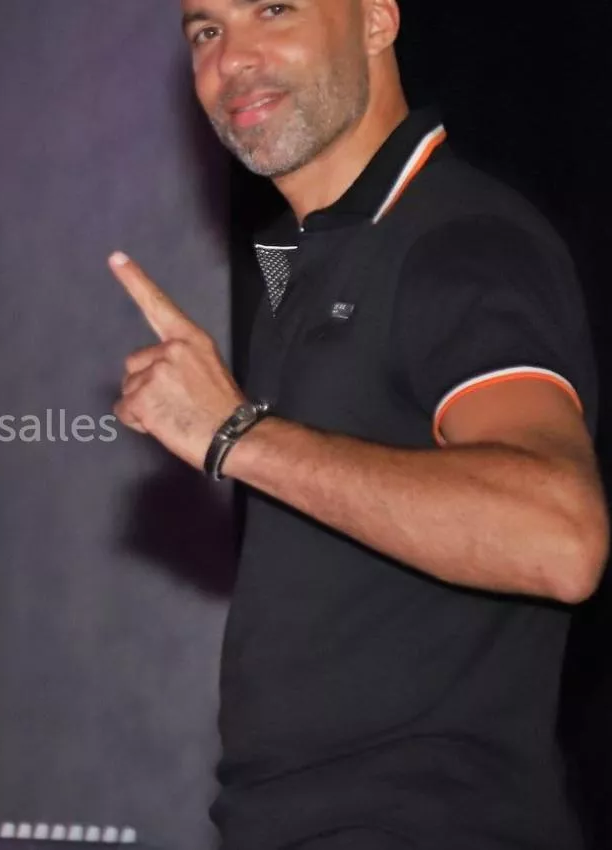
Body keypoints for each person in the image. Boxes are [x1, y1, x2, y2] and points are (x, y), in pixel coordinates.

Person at [108, 0, 608, 847]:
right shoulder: (312, 259)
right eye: (206, 31)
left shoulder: (460, 239)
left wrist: (237, 435)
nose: (233, 58)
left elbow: (558, 536)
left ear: (376, 20)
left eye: (274, 9)